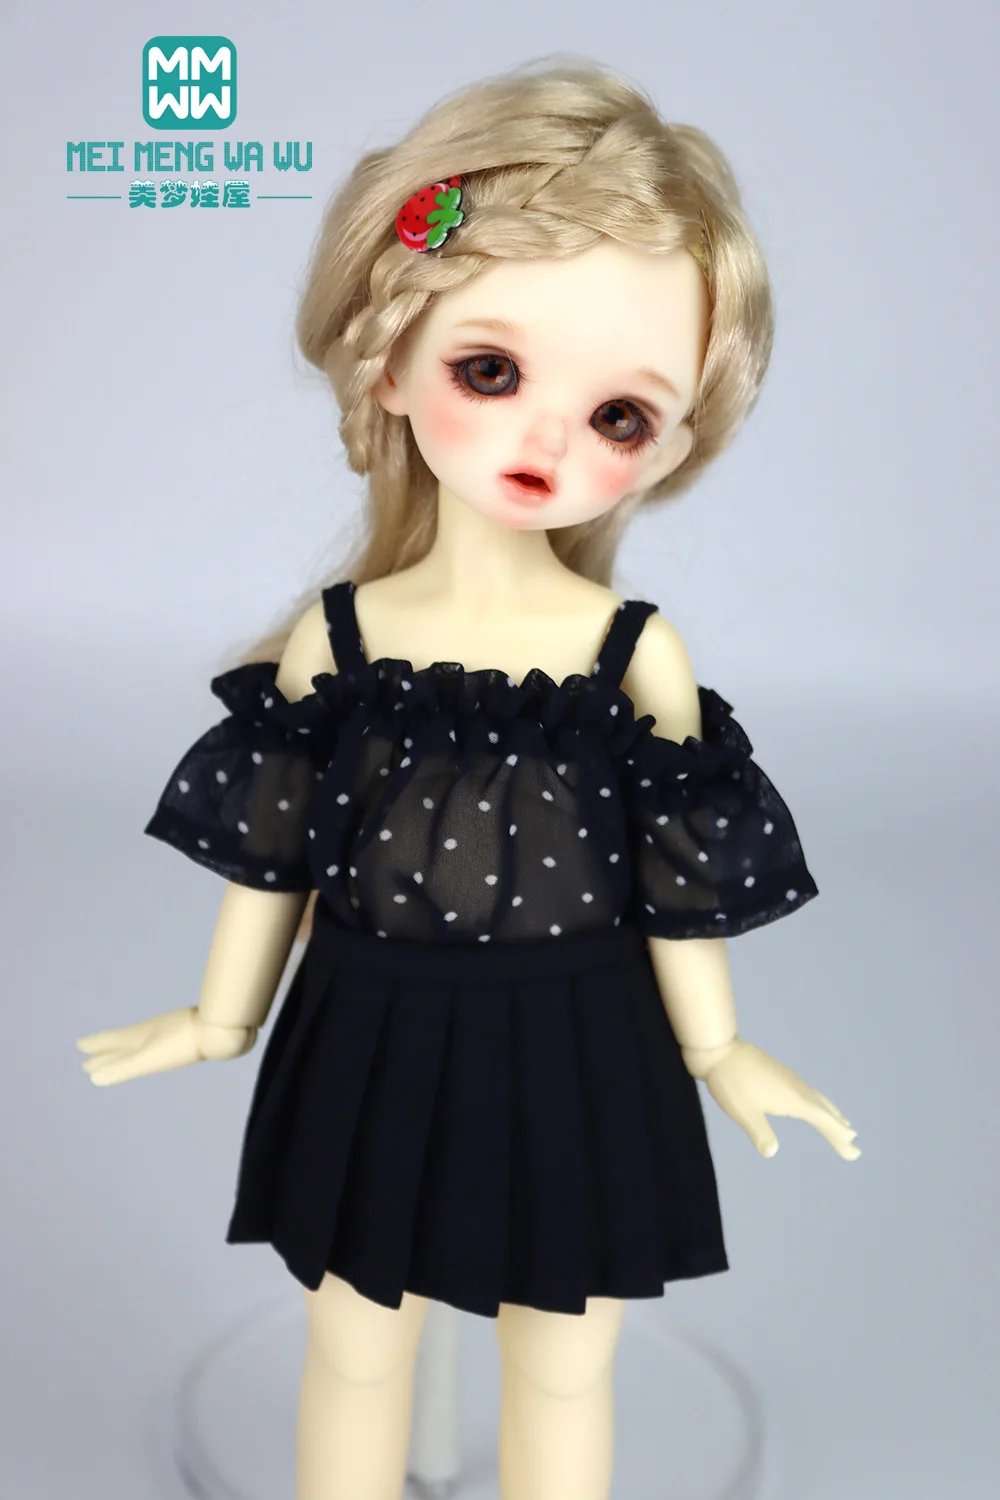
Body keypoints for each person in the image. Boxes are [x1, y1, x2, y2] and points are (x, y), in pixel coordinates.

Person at [78, 58, 859, 1500]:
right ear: (391, 357)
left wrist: (717, 1049)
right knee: (356, 1343)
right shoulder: (340, 641)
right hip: (369, 1025)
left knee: (562, 1354)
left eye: (621, 414)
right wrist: (218, 1015)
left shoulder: (633, 654)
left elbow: (678, 880)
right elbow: (279, 851)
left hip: (583, 1036)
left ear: (675, 445)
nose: (547, 436)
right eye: (489, 372)